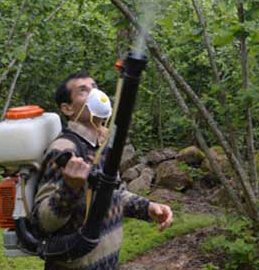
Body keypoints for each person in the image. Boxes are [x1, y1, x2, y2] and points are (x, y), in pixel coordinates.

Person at [32, 70, 173, 270]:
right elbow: (44, 223)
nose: (94, 94)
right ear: (67, 108)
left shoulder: (101, 146)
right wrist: (70, 190)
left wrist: (147, 207)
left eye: (94, 88)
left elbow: (113, 193)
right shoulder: (64, 150)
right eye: (83, 91)